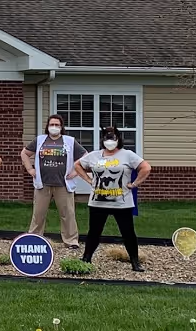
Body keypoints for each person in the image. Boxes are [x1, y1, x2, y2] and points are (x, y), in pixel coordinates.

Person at [73, 126, 151, 272]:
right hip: (97, 202)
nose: (110, 141)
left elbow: (146, 167)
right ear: (102, 140)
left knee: (128, 232)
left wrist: (134, 184)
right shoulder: (94, 156)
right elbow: (77, 165)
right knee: (94, 232)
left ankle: (135, 261)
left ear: (118, 139)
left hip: (122, 203)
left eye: (113, 138)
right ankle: (86, 258)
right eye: (107, 138)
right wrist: (88, 180)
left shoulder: (127, 155)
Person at [20, 113, 85, 248]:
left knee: (68, 214)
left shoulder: (69, 141)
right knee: (38, 214)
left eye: (57, 125)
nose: (54, 127)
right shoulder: (40, 140)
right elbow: (24, 153)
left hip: (63, 184)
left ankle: (71, 241)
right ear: (47, 127)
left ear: (61, 127)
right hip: (42, 184)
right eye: (52, 125)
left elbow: (85, 156)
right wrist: (30, 170)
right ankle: (34, 239)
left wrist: (75, 172)